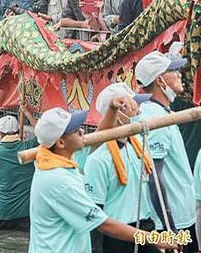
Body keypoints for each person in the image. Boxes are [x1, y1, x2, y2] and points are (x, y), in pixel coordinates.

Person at [29, 107, 174, 253]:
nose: (83, 132)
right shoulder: (59, 181)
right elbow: (104, 225)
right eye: (76, 131)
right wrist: (154, 239)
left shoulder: (60, 158)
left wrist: (112, 108)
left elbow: (99, 135)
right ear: (60, 143)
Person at [133, 49, 198, 252]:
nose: (179, 74)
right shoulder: (155, 118)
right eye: (173, 71)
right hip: (169, 224)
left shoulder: (162, 112)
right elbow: (153, 176)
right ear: (160, 81)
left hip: (180, 218)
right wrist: (170, 228)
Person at [84, 83, 159, 253]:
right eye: (133, 106)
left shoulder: (138, 144)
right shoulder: (98, 159)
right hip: (117, 237)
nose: (140, 110)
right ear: (118, 114)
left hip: (145, 227)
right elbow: (95, 218)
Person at [0, 111, 38, 232]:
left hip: (2, 214)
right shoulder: (29, 149)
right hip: (26, 215)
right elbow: (43, 134)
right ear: (18, 131)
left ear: (0, 133)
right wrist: (28, 114)